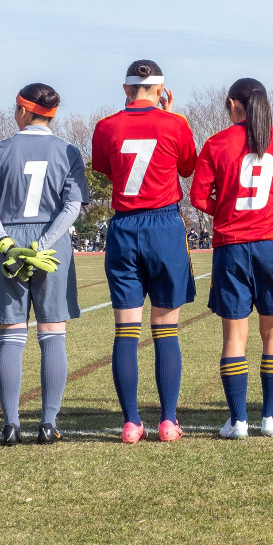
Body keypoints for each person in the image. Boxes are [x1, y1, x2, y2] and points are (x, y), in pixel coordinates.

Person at [0, 83, 89, 445]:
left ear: (23, 111)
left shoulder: (0, 149)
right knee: (53, 334)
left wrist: (7, 243)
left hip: (9, 241)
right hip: (52, 247)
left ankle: (10, 425)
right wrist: (42, 243)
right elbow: (72, 207)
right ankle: (48, 423)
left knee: (11, 336)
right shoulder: (68, 151)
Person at [91, 60, 198, 443]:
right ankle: (168, 421)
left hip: (124, 226)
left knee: (125, 330)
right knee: (166, 329)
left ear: (126, 89)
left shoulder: (105, 126)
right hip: (164, 226)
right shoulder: (176, 124)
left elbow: (107, 169)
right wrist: (170, 116)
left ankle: (132, 422)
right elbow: (188, 166)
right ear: (161, 89)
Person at [190, 78, 273, 439]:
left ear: (232, 104)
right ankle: (271, 418)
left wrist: (224, 210)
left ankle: (238, 420)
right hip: (272, 243)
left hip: (231, 245)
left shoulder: (216, 143)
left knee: (234, 337)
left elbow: (197, 197)